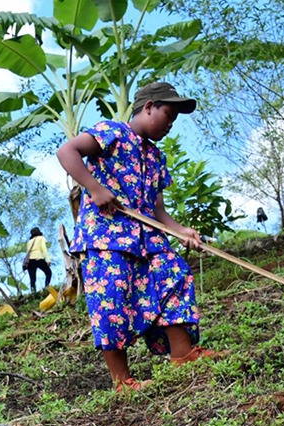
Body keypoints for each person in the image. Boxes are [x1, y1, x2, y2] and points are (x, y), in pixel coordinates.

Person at [55, 81, 224, 392]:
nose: (171, 125)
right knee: (111, 301)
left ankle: (183, 354)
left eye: (174, 120)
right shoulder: (112, 133)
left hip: (147, 238)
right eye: (168, 115)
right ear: (148, 107)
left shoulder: (156, 158)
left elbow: (158, 211)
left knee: (174, 273)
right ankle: (122, 382)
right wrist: (95, 189)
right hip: (107, 237)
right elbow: (67, 151)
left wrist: (180, 230)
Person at [24, 227, 53, 293]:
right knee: (48, 273)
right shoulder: (41, 238)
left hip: (30, 261)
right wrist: (48, 260)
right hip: (39, 259)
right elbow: (44, 249)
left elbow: (27, 252)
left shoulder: (29, 242)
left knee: (32, 279)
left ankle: (33, 293)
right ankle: (47, 288)